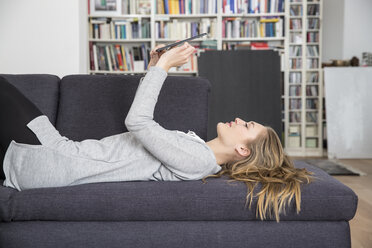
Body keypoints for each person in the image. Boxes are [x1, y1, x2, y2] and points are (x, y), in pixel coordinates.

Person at [0, 42, 316, 223]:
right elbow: (142, 129)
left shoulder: (197, 159)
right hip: (55, 150)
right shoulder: (194, 149)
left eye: (247, 126)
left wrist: (163, 69)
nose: (239, 119)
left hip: (48, 160)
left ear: (244, 151)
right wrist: (154, 67)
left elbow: (137, 122)